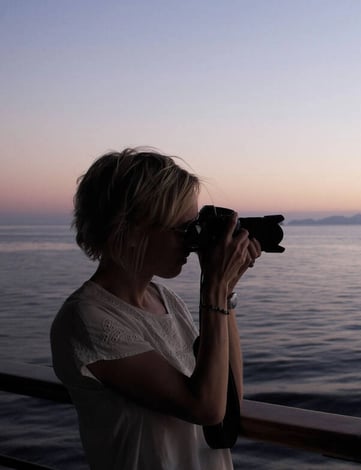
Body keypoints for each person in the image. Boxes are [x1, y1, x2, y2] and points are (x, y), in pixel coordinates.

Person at [50, 148, 261, 469]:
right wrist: (214, 291)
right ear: (132, 231)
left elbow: (228, 398)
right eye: (184, 229)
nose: (194, 242)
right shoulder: (88, 319)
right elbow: (205, 408)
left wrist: (225, 291)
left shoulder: (167, 301)